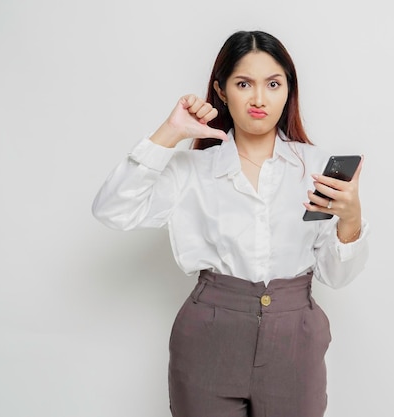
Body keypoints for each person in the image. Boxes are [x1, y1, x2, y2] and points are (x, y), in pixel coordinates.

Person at [92, 30, 369, 417]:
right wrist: (169, 133)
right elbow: (111, 210)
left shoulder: (317, 166)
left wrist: (351, 219)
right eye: (244, 84)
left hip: (295, 341)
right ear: (221, 91)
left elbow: (335, 276)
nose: (259, 98)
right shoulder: (192, 168)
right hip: (209, 338)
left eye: (273, 84)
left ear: (289, 89)